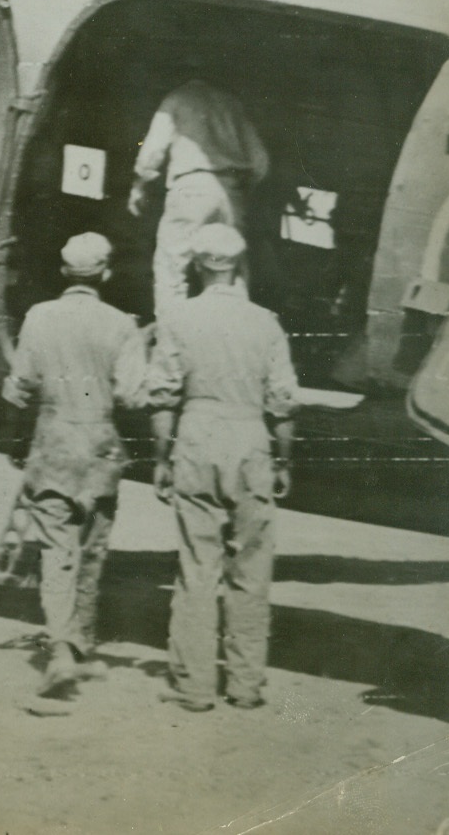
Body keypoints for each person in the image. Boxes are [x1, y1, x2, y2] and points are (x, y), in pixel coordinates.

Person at [145, 224, 298, 712]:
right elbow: (283, 404)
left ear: (197, 265)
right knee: (252, 568)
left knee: (197, 567)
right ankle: (246, 684)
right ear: (238, 263)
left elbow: (163, 397)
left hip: (196, 434)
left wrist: (161, 459)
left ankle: (193, 686)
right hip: (251, 437)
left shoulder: (177, 319)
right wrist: (283, 460)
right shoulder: (266, 323)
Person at [0, 233, 147, 705]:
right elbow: (130, 395)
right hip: (102, 447)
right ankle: (80, 644)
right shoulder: (122, 325)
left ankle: (62, 649)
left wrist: (20, 432)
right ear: (106, 274)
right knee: (93, 551)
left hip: (55, 443)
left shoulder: (39, 317)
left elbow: (21, 385)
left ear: (65, 273)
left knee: (56, 552)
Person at [128, 78, 270, 316]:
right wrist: (240, 190)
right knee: (231, 266)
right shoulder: (231, 103)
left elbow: (152, 152)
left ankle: (170, 336)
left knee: (172, 265)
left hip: (190, 186)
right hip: (230, 190)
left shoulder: (176, 99)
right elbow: (260, 161)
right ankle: (236, 330)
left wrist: (139, 185)